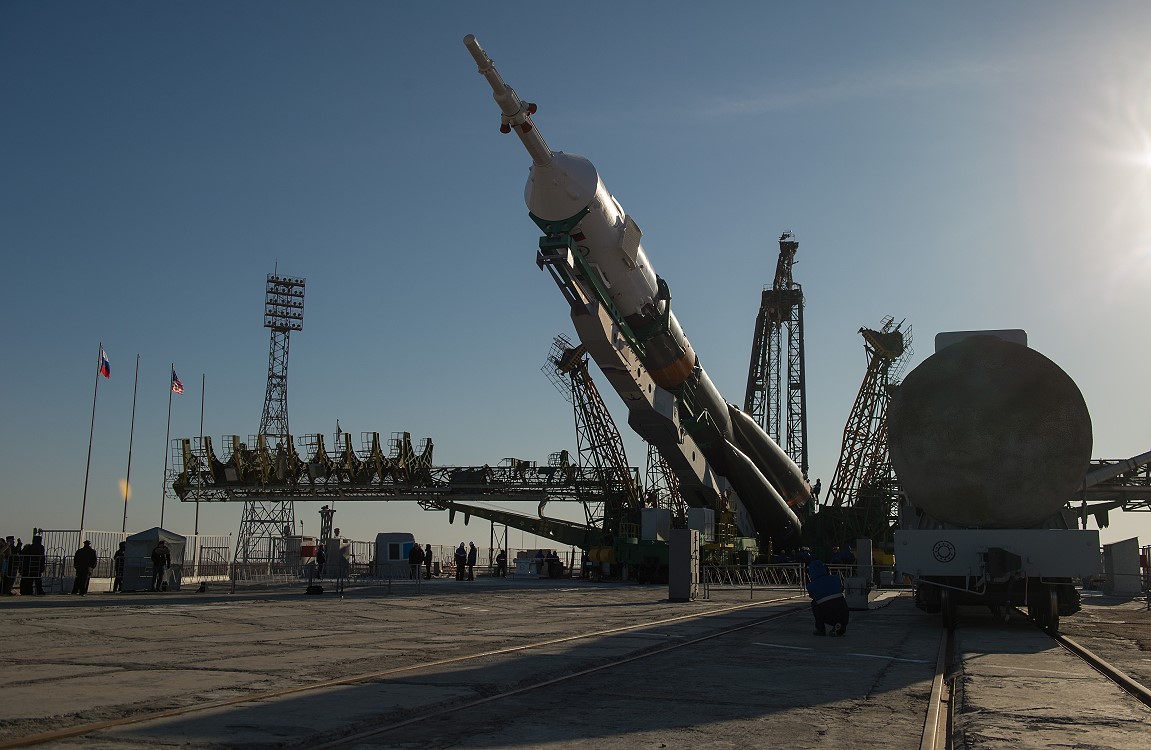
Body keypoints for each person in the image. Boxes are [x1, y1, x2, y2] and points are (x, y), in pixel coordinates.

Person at [806, 559, 849, 637]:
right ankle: (840, 626)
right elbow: (841, 589)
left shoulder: (811, 586)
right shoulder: (835, 578)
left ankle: (820, 629)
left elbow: (812, 596)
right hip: (843, 612)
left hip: (827, 613)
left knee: (814, 604)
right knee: (840, 610)